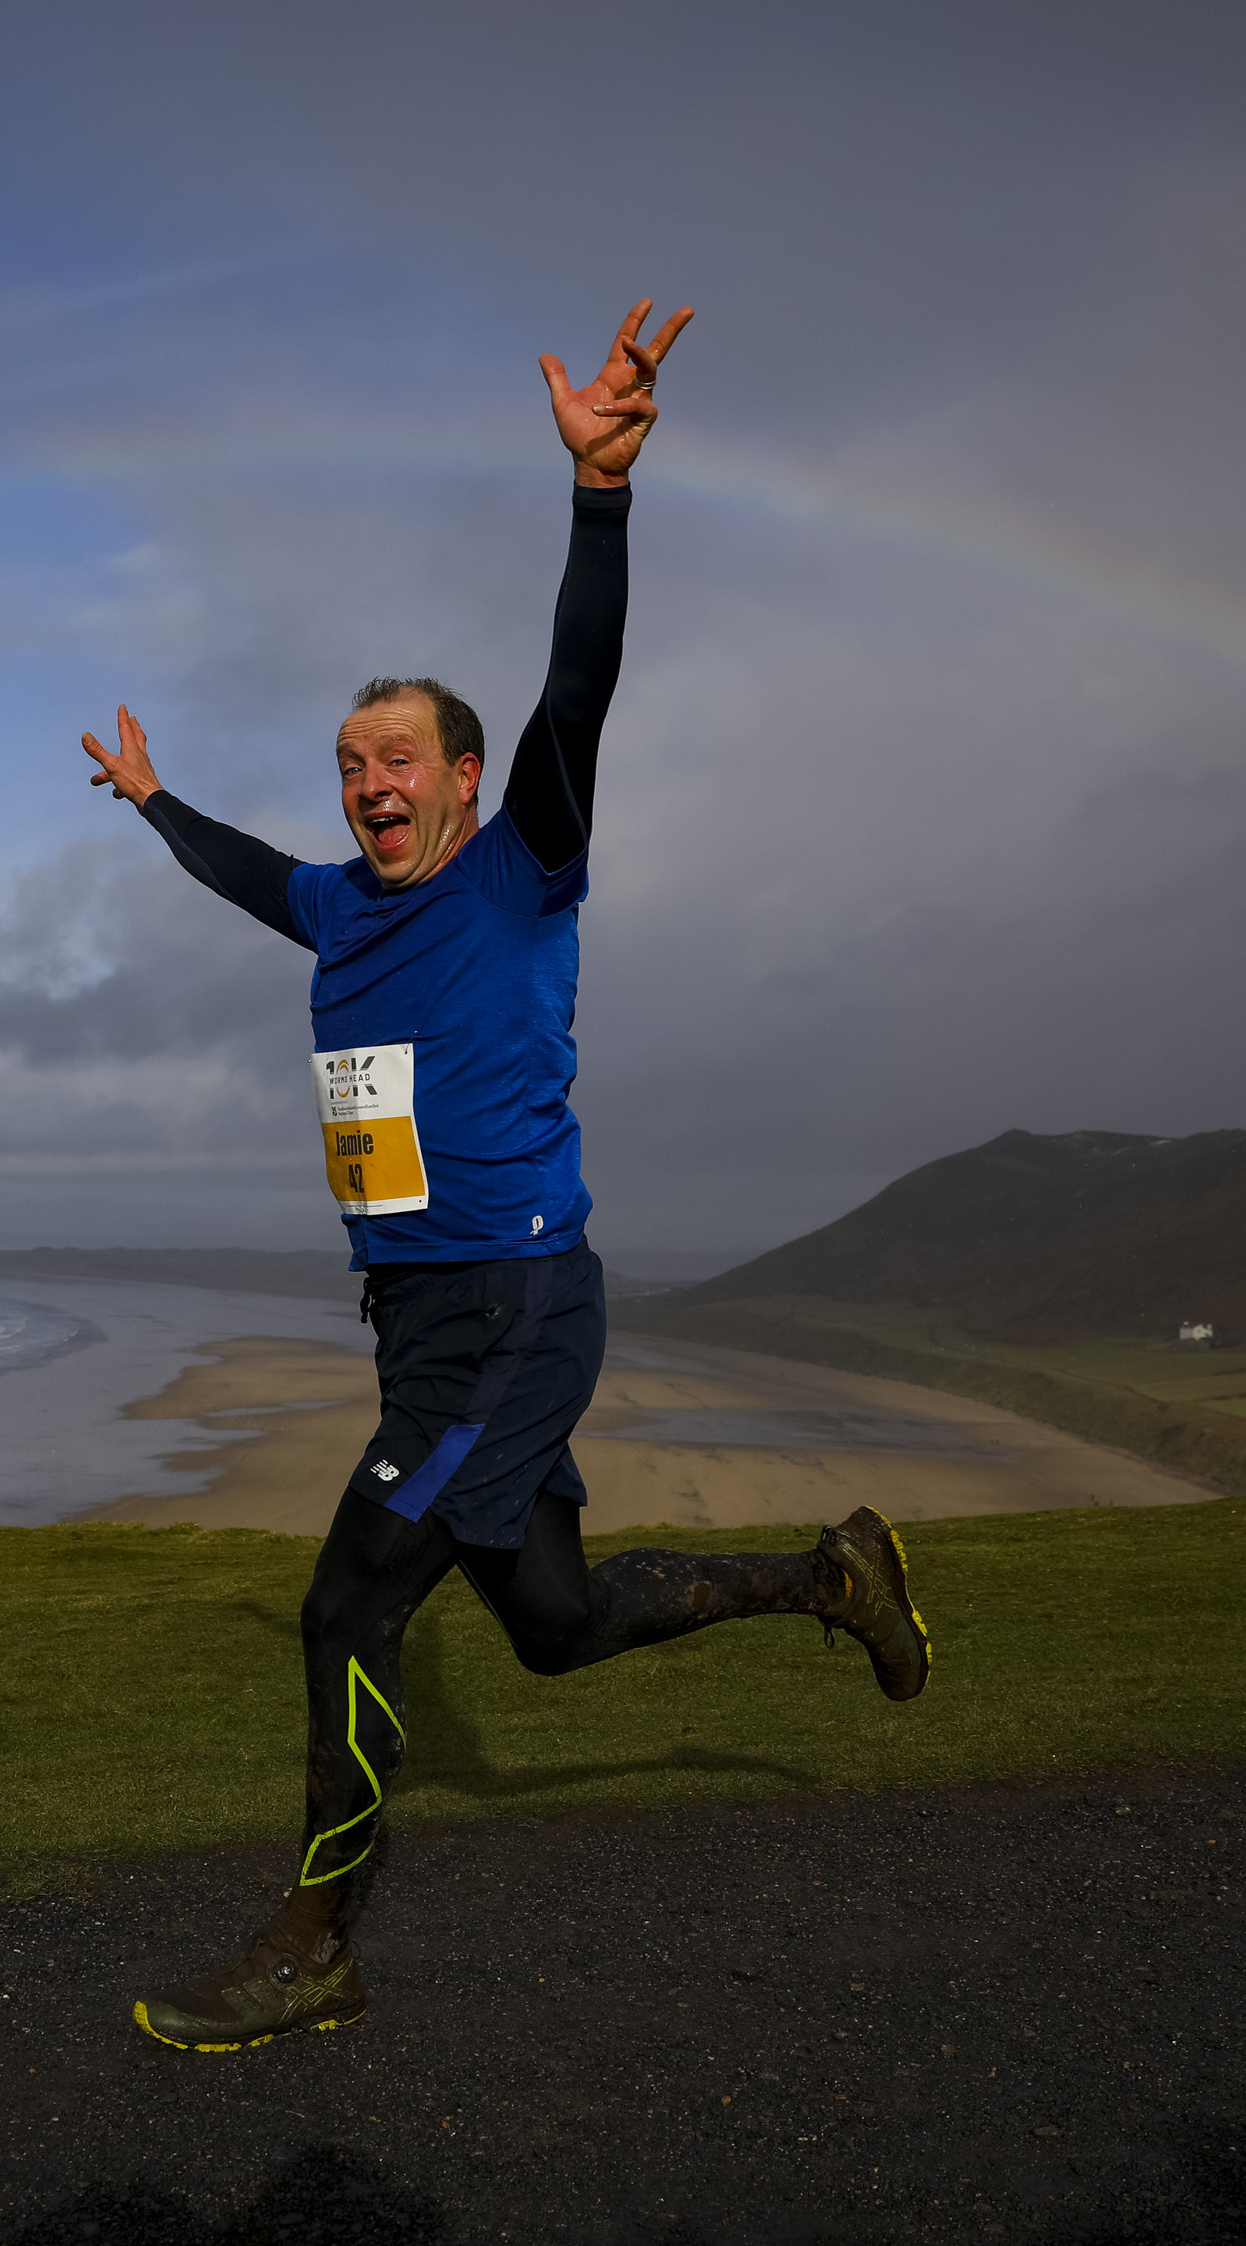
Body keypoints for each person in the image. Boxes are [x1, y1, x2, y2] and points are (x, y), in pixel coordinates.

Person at [78, 301, 933, 2053]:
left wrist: (599, 501)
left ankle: (315, 1943)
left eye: (397, 759)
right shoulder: (339, 901)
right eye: (348, 764)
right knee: (548, 1625)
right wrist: (159, 802)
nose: (366, 783)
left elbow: (582, 685)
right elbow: (253, 872)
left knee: (347, 1598)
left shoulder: (524, 865)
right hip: (420, 1320)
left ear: (464, 782)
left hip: (512, 1308)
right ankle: (831, 1574)